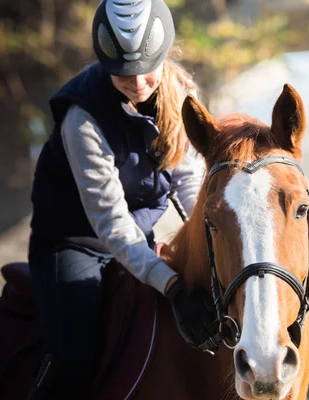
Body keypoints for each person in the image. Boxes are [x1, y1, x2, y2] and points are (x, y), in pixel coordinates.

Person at [26, 0, 218, 398]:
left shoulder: (180, 94)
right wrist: (173, 288)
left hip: (138, 238)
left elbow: (188, 184)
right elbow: (111, 224)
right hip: (75, 245)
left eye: (146, 69)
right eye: (123, 73)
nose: (137, 83)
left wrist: (203, 248)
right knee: (75, 360)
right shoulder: (82, 118)